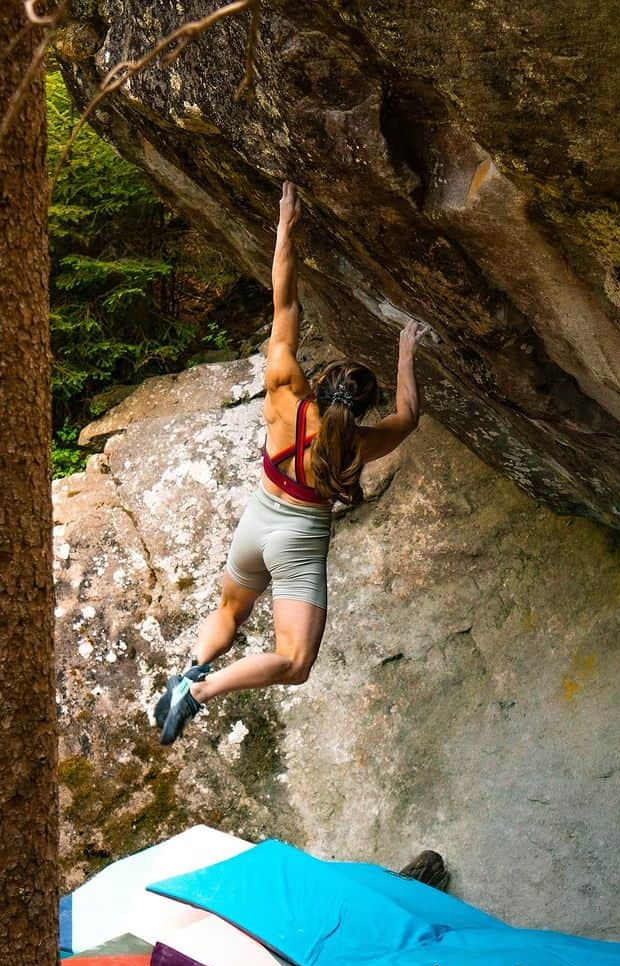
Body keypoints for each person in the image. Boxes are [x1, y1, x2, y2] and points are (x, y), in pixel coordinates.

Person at [155, 181, 430, 744]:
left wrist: (286, 227)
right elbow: (409, 416)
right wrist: (406, 351)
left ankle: (188, 670)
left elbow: (286, 303)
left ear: (320, 381)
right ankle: (197, 693)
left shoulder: (283, 393)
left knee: (231, 611)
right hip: (296, 542)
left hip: (254, 523)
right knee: (294, 661)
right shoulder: (357, 445)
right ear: (361, 408)